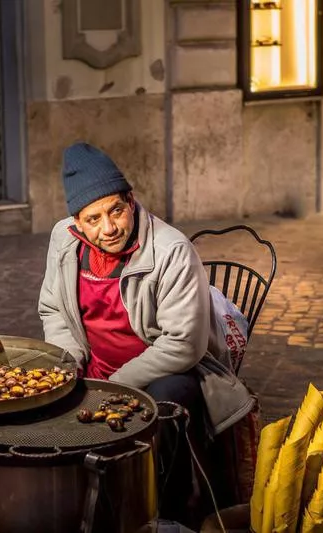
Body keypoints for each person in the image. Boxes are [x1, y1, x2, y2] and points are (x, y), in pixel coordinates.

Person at [38, 142, 254, 524]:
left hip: (161, 373)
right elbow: (54, 307)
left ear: (131, 201)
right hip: (93, 369)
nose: (108, 228)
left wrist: (116, 386)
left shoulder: (171, 250)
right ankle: (84, 506)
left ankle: (164, 512)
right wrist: (71, 362)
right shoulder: (64, 240)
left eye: (116, 211)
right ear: (76, 222)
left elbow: (183, 345)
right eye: (93, 219)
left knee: (169, 401)